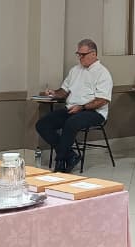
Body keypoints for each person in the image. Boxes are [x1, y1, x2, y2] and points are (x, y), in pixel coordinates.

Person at [36, 38, 113, 172]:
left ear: (93, 54)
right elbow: (64, 91)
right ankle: (70, 155)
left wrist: (82, 107)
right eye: (78, 54)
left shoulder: (103, 73)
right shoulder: (75, 70)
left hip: (94, 112)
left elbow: (102, 100)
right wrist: (54, 93)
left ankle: (60, 161)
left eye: (83, 55)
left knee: (71, 123)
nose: (80, 58)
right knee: (43, 124)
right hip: (72, 108)